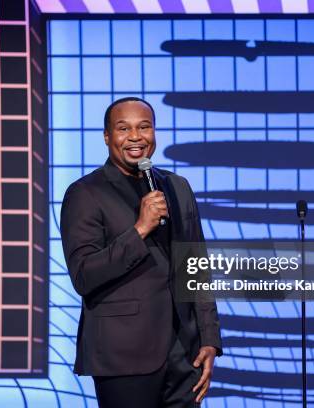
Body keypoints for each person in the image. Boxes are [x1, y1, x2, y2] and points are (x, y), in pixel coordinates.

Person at [60, 97, 222, 407]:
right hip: (124, 354)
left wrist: (210, 338)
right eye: (124, 128)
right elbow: (84, 275)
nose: (135, 137)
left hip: (185, 352)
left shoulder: (177, 186)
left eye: (144, 127)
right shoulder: (86, 193)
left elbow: (196, 266)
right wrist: (139, 230)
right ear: (107, 136)